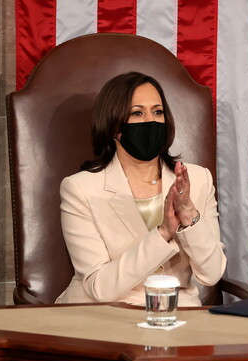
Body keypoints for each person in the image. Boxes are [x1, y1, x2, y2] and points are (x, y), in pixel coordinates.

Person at [56, 72, 227, 306]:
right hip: (104, 312)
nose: (151, 121)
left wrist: (188, 214)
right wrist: (164, 233)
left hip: (176, 312)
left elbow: (212, 273)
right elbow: (100, 287)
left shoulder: (199, 179)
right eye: (137, 113)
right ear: (114, 126)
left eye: (157, 112)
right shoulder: (80, 189)